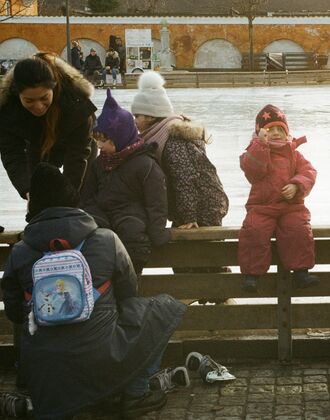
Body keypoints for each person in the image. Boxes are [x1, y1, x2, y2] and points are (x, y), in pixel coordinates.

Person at [1, 162, 187, 419]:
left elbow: (14, 311)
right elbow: (129, 291)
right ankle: (136, 393)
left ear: (33, 206)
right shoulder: (106, 239)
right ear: (71, 199)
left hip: (43, 367)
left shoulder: (20, 252)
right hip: (102, 356)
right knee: (163, 308)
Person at [80, 89, 170, 275]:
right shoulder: (99, 163)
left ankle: (131, 277)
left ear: (120, 138)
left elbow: (156, 202)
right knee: (93, 230)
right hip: (103, 213)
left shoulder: (145, 164)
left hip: (132, 216)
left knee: (132, 230)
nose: (100, 146)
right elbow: (87, 195)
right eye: (97, 141)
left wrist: (158, 232)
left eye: (105, 141)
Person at [131, 71, 229, 229]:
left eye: (137, 116)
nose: (134, 121)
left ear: (150, 116)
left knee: (201, 252)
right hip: (194, 206)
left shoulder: (173, 140)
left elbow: (185, 177)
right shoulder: (159, 135)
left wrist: (189, 216)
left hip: (204, 208)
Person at [238, 104, 318, 292]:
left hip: (291, 207)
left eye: (279, 129)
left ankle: (301, 273)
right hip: (261, 207)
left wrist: (297, 184)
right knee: (253, 231)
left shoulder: (294, 153)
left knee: (298, 230)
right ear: (259, 133)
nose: (275, 133)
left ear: (286, 132)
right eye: (269, 130)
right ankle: (251, 275)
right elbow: (253, 171)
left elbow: (309, 172)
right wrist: (260, 145)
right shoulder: (253, 152)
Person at [0, 53, 97, 207]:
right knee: (37, 190)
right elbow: (12, 154)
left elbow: (78, 155)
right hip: (36, 142)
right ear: (17, 95)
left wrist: (68, 197)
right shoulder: (8, 109)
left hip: (76, 143)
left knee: (79, 192)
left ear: (54, 87)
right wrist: (28, 190)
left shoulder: (76, 102)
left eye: (44, 97)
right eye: (29, 100)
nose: (38, 106)